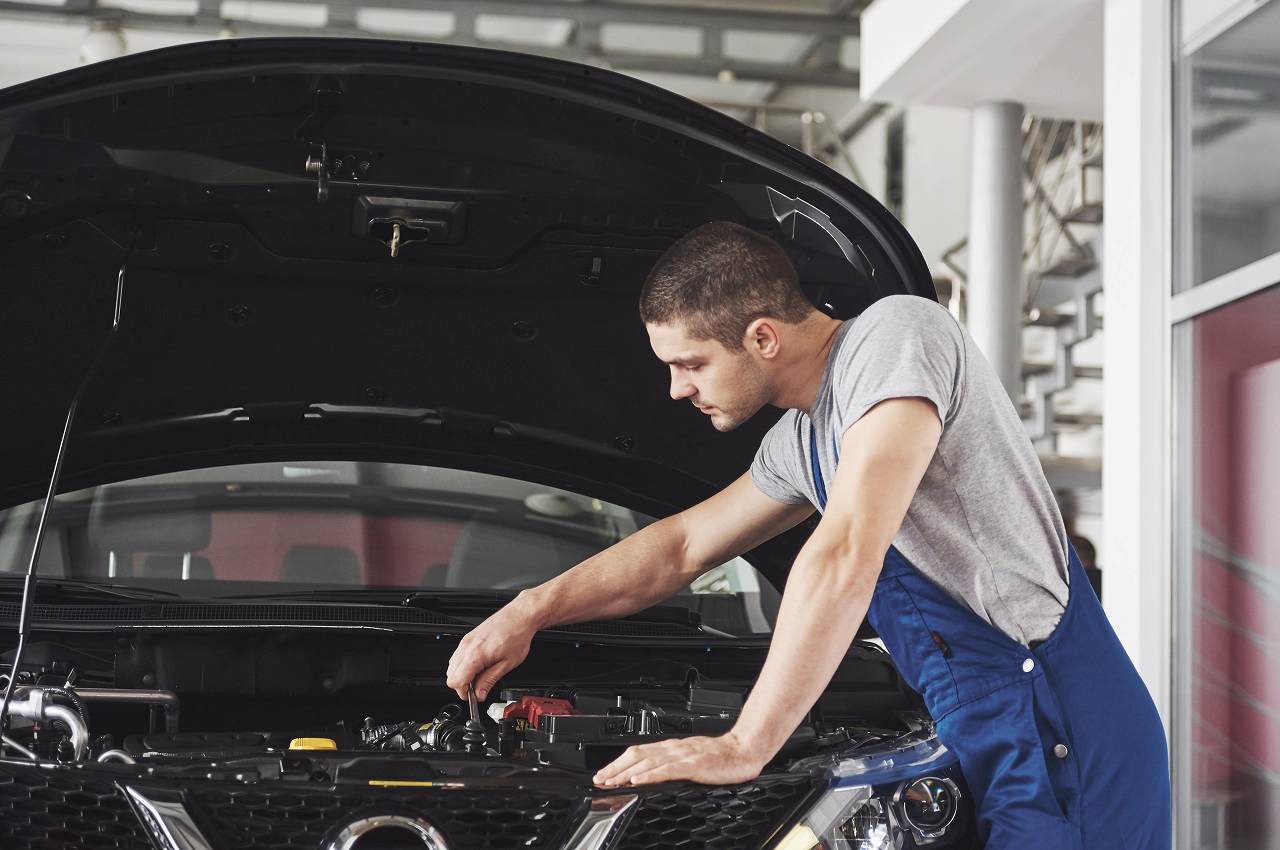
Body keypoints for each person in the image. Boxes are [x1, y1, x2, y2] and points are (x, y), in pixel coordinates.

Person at [446, 221, 1170, 848]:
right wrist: (530, 610)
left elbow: (847, 547)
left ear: (762, 337)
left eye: (691, 364)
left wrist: (744, 744)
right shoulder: (803, 440)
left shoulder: (896, 336)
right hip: (981, 725)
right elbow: (680, 549)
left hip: (1055, 718)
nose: (676, 389)